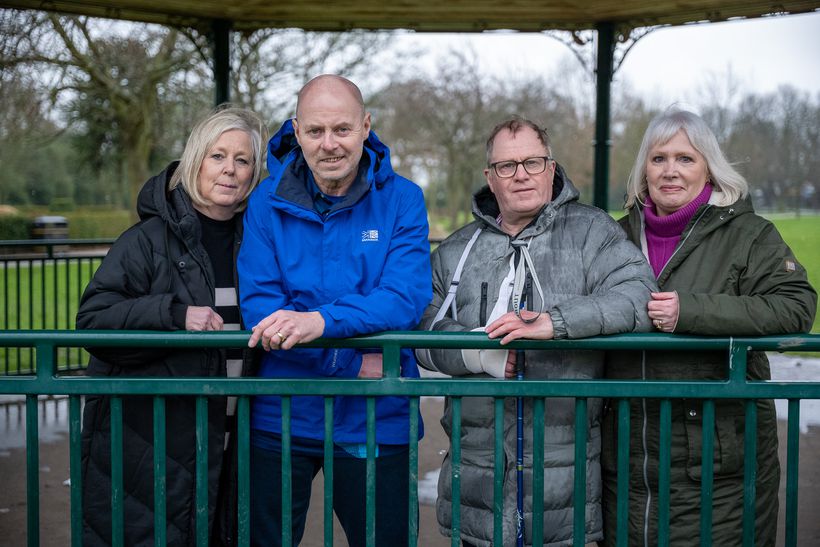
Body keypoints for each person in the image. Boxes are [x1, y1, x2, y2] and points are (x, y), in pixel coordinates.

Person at [416, 116, 657, 546]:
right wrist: (482, 355)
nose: (521, 174)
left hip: (566, 487)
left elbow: (639, 295)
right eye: (506, 166)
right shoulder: (456, 249)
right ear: (490, 178)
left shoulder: (592, 232)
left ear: (551, 168)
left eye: (532, 161)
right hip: (476, 484)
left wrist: (555, 322)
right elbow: (423, 328)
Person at [600, 108, 817, 547]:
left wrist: (692, 313)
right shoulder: (613, 237)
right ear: (644, 168)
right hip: (626, 452)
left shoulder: (750, 235)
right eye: (658, 158)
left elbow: (796, 307)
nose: (670, 171)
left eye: (686, 158)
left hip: (716, 457)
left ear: (709, 168)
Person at [237, 75, 432, 547]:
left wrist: (318, 322)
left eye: (342, 130)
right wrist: (346, 359)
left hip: (375, 412)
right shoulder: (266, 200)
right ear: (297, 131)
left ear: (366, 127)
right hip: (282, 412)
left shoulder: (403, 198)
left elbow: (403, 296)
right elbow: (262, 307)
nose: (329, 144)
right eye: (316, 131)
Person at [76, 106, 267, 546]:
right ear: (194, 161)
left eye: (243, 160)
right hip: (150, 443)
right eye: (218, 156)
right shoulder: (144, 241)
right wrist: (174, 315)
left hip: (232, 439)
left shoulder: (257, 242)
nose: (230, 170)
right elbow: (93, 322)